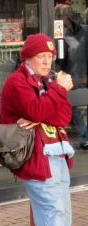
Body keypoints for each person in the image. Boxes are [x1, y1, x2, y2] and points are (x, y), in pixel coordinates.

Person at [0, 33, 82, 226]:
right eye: (42, 57)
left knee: (64, 216)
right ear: (28, 58)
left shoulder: (47, 82)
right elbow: (36, 111)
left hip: (58, 154)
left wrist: (49, 101)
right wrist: (57, 92)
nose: (48, 62)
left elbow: (62, 115)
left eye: (50, 57)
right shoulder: (17, 83)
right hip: (35, 158)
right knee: (52, 213)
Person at [55, 3, 88, 149]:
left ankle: (86, 137)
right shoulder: (77, 30)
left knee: (74, 105)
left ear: (65, 17)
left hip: (76, 74)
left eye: (58, 16)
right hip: (76, 73)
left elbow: (74, 55)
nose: (57, 20)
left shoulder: (74, 32)